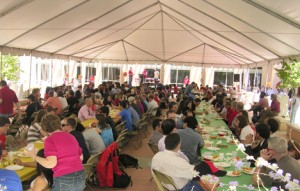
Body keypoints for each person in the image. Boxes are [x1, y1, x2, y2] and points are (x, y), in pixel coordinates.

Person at [24, 114, 85, 191]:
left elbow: (51, 163)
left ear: (44, 128)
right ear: (59, 124)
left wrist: (32, 155)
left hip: (64, 177)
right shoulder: (70, 136)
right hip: (80, 173)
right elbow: (81, 157)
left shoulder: (50, 140)